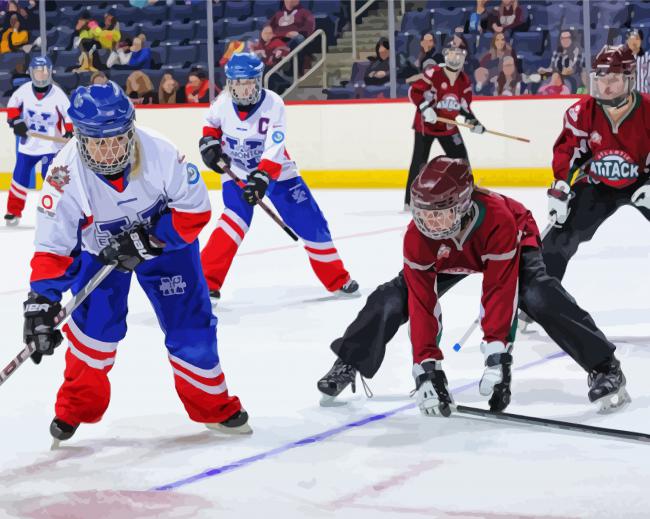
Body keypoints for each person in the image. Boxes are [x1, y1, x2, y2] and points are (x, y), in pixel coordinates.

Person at [23, 81, 251, 446]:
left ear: (130, 130)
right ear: (80, 139)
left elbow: (195, 211)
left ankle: (213, 406)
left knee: (190, 325)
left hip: (166, 248)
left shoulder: (162, 152)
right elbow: (53, 247)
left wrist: (152, 239)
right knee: (91, 335)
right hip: (101, 254)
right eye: (98, 141)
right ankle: (75, 408)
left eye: (116, 138)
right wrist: (41, 302)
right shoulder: (63, 176)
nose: (109, 150)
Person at [317, 156, 630, 415]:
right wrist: (426, 368)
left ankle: (605, 366)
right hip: (450, 253)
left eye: (439, 214)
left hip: (506, 238)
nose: (430, 224)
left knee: (538, 295)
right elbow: (422, 303)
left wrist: (497, 360)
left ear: (464, 205)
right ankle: (349, 361)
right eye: (423, 213)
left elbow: (499, 291)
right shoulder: (419, 236)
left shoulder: (498, 219)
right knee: (391, 298)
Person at [199, 53, 358, 302]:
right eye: (238, 83)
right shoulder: (221, 103)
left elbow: (275, 146)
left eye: (249, 81)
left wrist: (263, 176)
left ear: (258, 80)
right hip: (238, 172)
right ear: (230, 83)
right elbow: (210, 125)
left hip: (278, 173)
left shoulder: (273, 104)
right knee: (233, 221)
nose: (243, 88)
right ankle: (205, 284)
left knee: (311, 222)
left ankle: (337, 279)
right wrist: (209, 144)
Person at [542, 45, 650, 290]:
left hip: (644, 181)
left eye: (613, 79)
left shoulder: (648, 110)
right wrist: (561, 185)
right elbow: (567, 151)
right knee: (561, 235)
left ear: (629, 78)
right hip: (599, 182)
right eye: (600, 79)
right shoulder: (582, 112)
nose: (605, 86)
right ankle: (538, 301)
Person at [404, 37, 485, 208]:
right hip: (425, 126)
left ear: (464, 57)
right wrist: (426, 108)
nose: (455, 58)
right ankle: (410, 201)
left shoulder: (464, 81)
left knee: (462, 161)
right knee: (419, 162)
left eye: (459, 54)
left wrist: (474, 122)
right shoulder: (433, 73)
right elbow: (414, 92)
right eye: (451, 54)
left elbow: (463, 107)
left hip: (448, 126)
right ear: (446, 55)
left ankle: (468, 196)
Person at [4, 56, 72, 226]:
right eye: (37, 72)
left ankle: (56, 210)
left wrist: (69, 132)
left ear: (49, 72)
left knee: (51, 179)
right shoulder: (23, 91)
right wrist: (16, 122)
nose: (41, 75)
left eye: (44, 72)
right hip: (28, 146)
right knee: (19, 177)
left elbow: (68, 116)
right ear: (31, 73)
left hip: (50, 147)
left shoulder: (58, 94)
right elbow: (12, 108)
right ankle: (13, 211)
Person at [626, 29, 649, 94]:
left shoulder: (647, 58)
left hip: (645, 96)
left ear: (641, 40)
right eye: (631, 39)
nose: (634, 42)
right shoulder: (622, 59)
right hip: (628, 98)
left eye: (637, 39)